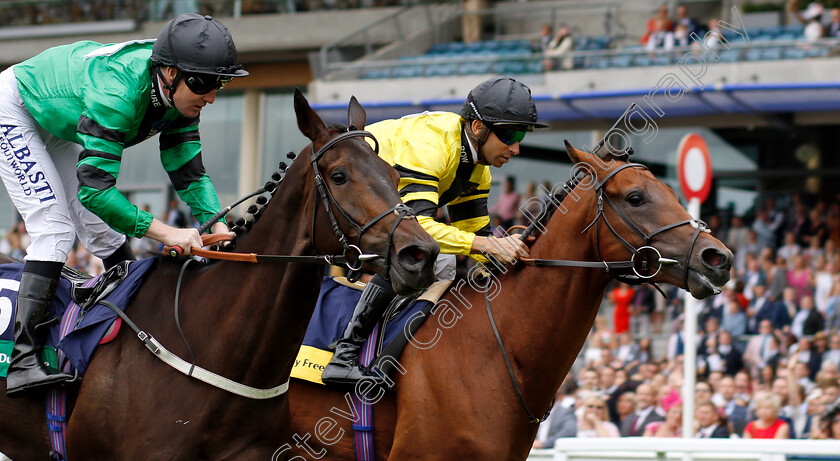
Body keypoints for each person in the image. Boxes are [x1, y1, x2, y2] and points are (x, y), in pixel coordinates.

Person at [0, 13, 244, 396]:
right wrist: (167, 232)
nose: (211, 95)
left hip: (60, 121)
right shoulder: (119, 91)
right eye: (204, 83)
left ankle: (131, 318)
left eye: (220, 83)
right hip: (15, 109)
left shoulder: (177, 97)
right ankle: (22, 360)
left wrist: (216, 224)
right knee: (55, 229)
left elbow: (188, 171)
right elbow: (94, 190)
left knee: (101, 231)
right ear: (167, 73)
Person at [321, 76, 545, 385]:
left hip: (366, 213)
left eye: (522, 134)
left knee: (451, 261)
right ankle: (345, 355)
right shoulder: (433, 145)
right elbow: (421, 229)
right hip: (334, 199)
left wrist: (511, 254)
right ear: (478, 128)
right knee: (417, 252)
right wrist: (488, 245)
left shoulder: (479, 170)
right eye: (509, 134)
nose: (516, 147)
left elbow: (474, 242)